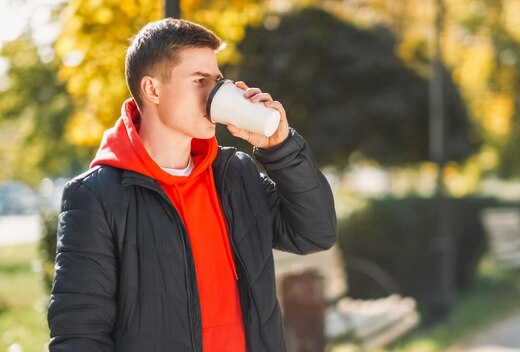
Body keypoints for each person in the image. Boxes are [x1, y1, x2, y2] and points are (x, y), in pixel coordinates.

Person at [47, 18, 337, 352]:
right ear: (152, 89)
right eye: (199, 80)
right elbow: (79, 335)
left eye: (217, 80)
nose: (214, 93)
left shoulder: (234, 175)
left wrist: (279, 148)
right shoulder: (96, 196)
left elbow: (315, 232)